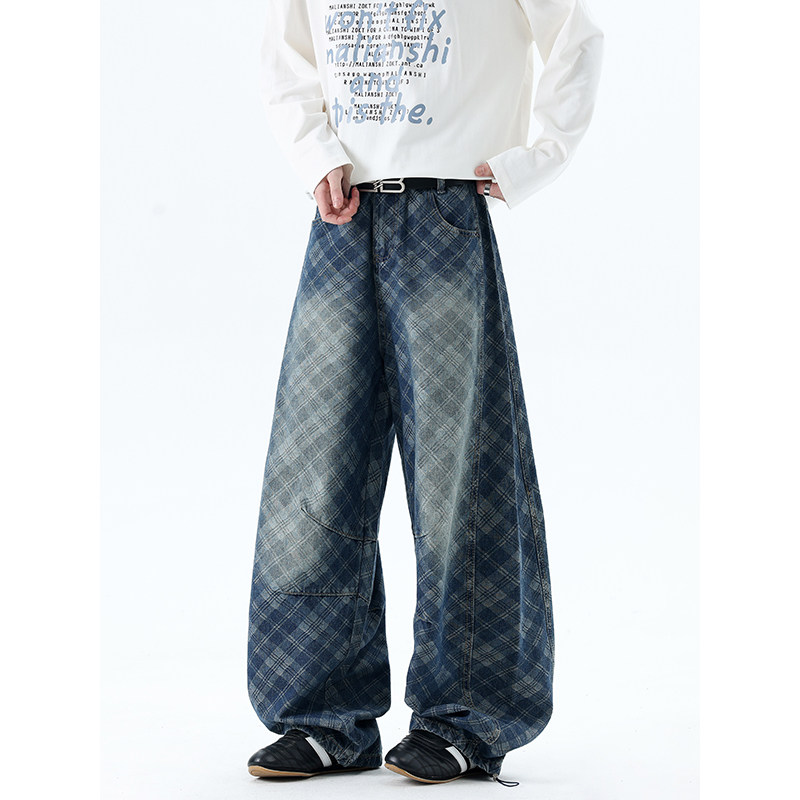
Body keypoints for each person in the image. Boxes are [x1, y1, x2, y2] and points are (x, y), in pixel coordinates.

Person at [246, 0, 604, 787]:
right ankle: (323, 717)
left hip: (447, 207)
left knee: (461, 475)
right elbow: (283, 47)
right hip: (343, 210)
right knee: (314, 466)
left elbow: (574, 34)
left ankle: (467, 719)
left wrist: (533, 158)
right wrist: (312, 151)